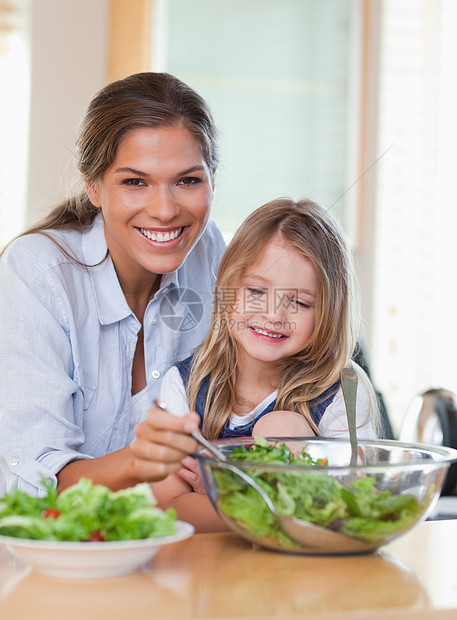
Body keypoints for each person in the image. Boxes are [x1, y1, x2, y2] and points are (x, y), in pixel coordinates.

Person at [0, 72, 226, 497]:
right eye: (135, 182)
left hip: (177, 547)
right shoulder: (36, 272)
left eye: (188, 180)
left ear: (213, 181)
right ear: (94, 187)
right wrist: (141, 463)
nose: (165, 209)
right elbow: (32, 484)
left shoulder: (210, 252)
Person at [152, 198, 380, 531]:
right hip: (211, 571)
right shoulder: (185, 385)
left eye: (300, 302)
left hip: (302, 570)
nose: (274, 315)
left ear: (329, 312)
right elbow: (170, 506)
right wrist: (269, 511)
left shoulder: (340, 390)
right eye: (257, 291)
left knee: (280, 429)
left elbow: (351, 504)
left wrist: (229, 494)